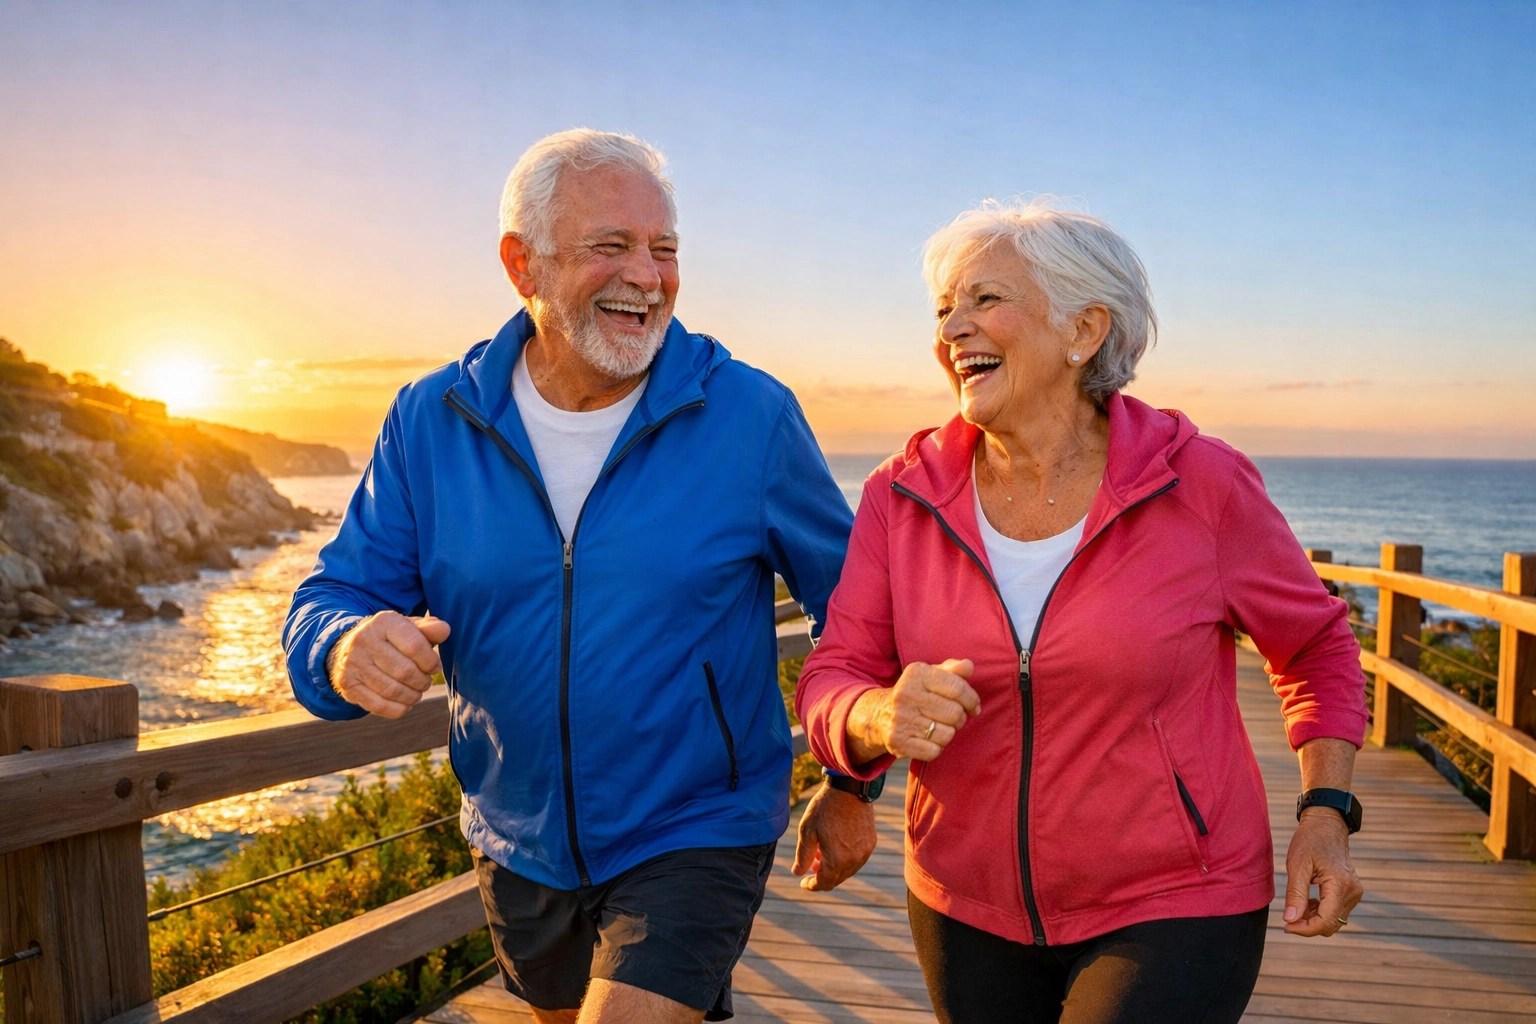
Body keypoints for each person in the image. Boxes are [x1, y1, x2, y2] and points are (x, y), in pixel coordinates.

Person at [283, 128, 876, 1024]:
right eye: (612, 246)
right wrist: (341, 649)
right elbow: (332, 597)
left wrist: (851, 782)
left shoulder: (750, 414)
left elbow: (860, 610)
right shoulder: (431, 420)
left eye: (664, 249)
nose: (648, 275)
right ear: (523, 265)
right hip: (515, 841)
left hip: (698, 828)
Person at [795, 198, 1368, 1024]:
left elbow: (1314, 648)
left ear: (1085, 330)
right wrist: (874, 718)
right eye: (944, 308)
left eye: (985, 300)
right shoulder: (900, 493)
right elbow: (835, 672)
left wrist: (1326, 811)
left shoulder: (1200, 483)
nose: (953, 328)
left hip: (1176, 898)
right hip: (964, 901)